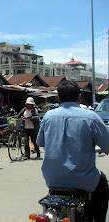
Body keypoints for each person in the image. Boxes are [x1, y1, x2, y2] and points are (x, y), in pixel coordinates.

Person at [37, 80, 109, 221]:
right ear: (79, 97)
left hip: (53, 180)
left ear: (58, 98)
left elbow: (40, 142)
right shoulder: (91, 117)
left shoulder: (48, 117)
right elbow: (107, 145)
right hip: (84, 181)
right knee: (103, 184)